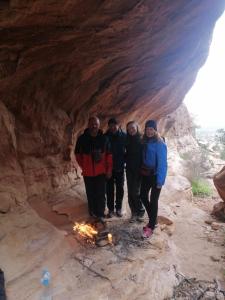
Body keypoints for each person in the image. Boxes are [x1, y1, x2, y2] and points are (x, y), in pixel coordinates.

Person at [75, 116, 112, 221]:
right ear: (88, 125)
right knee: (90, 193)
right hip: (88, 173)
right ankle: (92, 212)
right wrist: (84, 166)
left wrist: (108, 169)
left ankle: (100, 214)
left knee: (101, 193)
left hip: (101, 172)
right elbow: (77, 155)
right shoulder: (82, 139)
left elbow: (109, 155)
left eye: (96, 124)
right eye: (92, 124)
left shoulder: (104, 139)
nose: (94, 126)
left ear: (99, 125)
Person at [140, 119, 167, 238]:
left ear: (155, 130)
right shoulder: (145, 141)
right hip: (146, 174)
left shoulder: (160, 144)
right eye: (147, 129)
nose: (149, 131)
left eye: (151, 129)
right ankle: (153, 218)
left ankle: (151, 226)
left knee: (153, 200)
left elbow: (162, 164)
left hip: (155, 176)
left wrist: (160, 181)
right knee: (142, 195)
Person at [105, 118, 126, 218]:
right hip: (108, 168)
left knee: (120, 189)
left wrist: (124, 161)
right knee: (109, 189)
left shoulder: (124, 136)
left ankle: (118, 208)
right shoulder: (105, 137)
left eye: (114, 125)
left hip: (120, 167)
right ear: (108, 126)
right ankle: (110, 209)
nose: (113, 127)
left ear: (118, 125)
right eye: (111, 125)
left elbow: (128, 150)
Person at [126, 121, 145, 222]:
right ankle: (134, 213)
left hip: (139, 170)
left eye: (132, 128)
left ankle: (140, 211)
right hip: (129, 169)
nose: (131, 130)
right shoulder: (127, 140)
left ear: (137, 127)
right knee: (130, 191)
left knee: (136, 191)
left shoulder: (142, 139)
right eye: (129, 129)